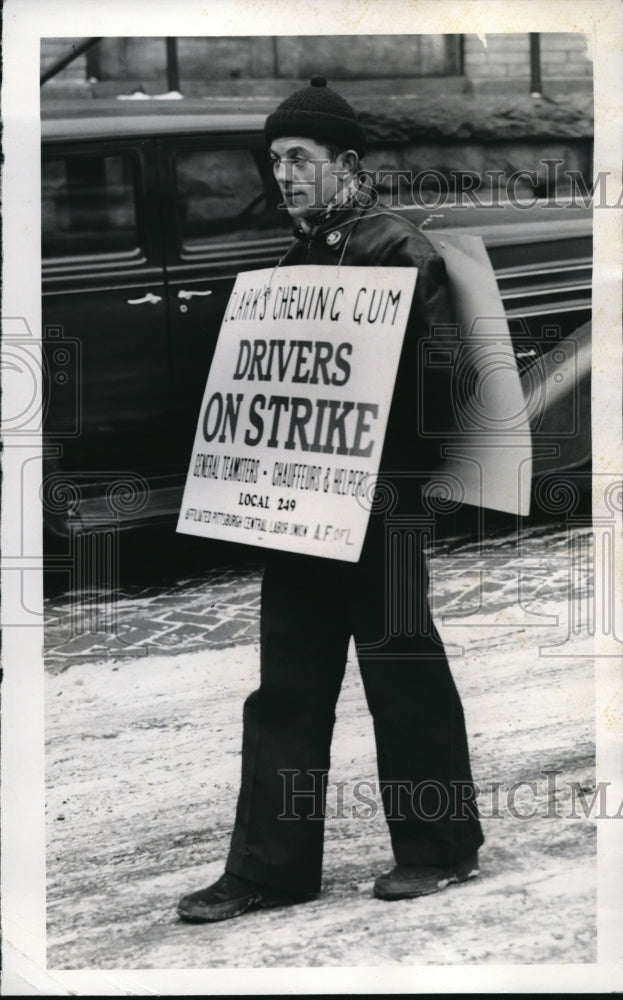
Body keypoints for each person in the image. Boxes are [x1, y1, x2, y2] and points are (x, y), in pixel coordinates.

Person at [177, 77, 484, 923]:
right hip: (299, 501)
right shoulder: (295, 259)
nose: (283, 174)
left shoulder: (399, 251)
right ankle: (270, 869)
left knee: (401, 671)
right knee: (286, 682)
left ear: (344, 164)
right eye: (274, 160)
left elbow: (445, 381)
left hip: (378, 503)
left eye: (298, 158)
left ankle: (439, 848)